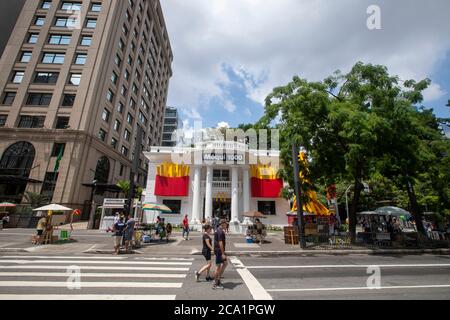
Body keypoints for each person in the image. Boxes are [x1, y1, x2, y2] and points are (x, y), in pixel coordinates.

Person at [213, 219, 228, 290]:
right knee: (218, 266)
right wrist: (222, 253)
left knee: (225, 263)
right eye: (226, 224)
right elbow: (220, 242)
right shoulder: (220, 232)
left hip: (218, 250)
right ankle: (215, 283)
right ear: (222, 224)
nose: (227, 225)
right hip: (219, 251)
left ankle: (218, 279)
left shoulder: (218, 230)